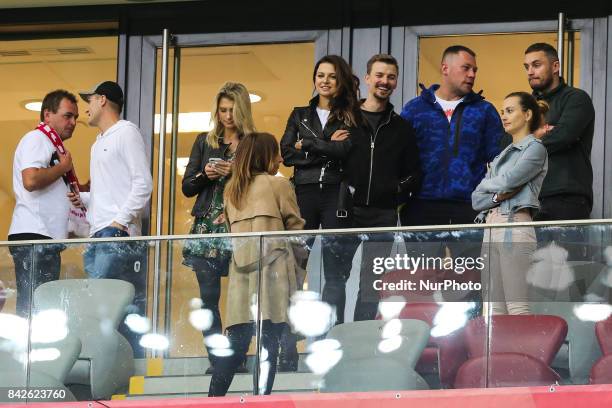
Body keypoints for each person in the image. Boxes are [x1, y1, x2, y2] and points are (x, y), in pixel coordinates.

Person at [208, 132, 305, 397]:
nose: (281, 158)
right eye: (276, 153)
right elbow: (296, 232)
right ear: (265, 156)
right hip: (274, 276)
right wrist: (300, 268)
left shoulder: (232, 191)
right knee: (268, 347)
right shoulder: (279, 185)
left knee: (235, 348)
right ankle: (261, 402)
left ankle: (211, 401)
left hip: (241, 279)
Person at [69, 80, 153, 355]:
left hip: (116, 234)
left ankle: (127, 371)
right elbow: (112, 191)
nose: (86, 108)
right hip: (99, 234)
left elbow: (143, 184)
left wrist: (119, 223)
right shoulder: (99, 142)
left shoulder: (126, 132)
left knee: (113, 308)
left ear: (102, 100)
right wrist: (84, 199)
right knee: (108, 309)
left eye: (89, 100)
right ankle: (112, 371)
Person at [280, 55, 356, 353]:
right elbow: (287, 153)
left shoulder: (350, 115)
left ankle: (327, 342)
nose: (324, 81)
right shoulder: (300, 114)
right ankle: (287, 346)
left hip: (336, 195)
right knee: (296, 269)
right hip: (304, 194)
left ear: (340, 82)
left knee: (335, 272)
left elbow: (347, 152)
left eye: (332, 76)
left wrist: (308, 144)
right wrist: (328, 148)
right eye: (320, 75)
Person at [182, 82, 255, 373]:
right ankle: (218, 359)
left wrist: (236, 172)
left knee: (243, 297)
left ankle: (238, 356)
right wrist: (206, 173)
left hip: (240, 226)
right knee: (208, 297)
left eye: (232, 110)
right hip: (206, 227)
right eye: (222, 110)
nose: (227, 116)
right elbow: (187, 186)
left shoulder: (254, 142)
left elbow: (263, 183)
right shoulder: (205, 141)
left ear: (243, 110)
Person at [343, 54, 421, 321]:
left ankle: (359, 342)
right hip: (346, 211)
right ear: (367, 79)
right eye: (379, 75)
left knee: (370, 285)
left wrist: (393, 191)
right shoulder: (346, 120)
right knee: (335, 280)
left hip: (382, 214)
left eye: (390, 77)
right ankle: (332, 342)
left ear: (396, 82)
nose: (384, 82)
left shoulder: (402, 128)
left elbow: (414, 173)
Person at [400, 45, 504, 226]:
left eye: (474, 70)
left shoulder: (484, 110)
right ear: (445, 68)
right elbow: (400, 156)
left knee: (470, 257)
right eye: (466, 68)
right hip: (421, 204)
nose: (472, 74)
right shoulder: (414, 109)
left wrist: (491, 200)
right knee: (423, 256)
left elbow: (499, 160)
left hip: (470, 206)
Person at [472, 92, 548, 315]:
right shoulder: (501, 155)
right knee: (491, 309)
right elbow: (476, 199)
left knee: (516, 306)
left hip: (514, 224)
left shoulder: (535, 148)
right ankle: (498, 352)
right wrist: (496, 196)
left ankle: (520, 351)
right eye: (502, 111)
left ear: (527, 114)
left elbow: (510, 181)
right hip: (490, 226)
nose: (503, 116)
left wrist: (488, 186)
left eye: (510, 110)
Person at [8, 89, 79, 317]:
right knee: (33, 308)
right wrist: (63, 168)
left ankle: (35, 351)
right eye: (67, 116)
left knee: (42, 308)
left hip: (44, 239)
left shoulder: (51, 145)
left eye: (75, 117)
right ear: (47, 115)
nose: (73, 122)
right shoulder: (36, 138)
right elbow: (30, 180)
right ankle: (28, 353)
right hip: (34, 237)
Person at [523, 42, 594, 221]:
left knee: (567, 250)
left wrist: (526, 140)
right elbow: (506, 143)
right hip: (527, 199)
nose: (530, 71)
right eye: (527, 67)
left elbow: (563, 136)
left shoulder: (576, 98)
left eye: (536, 65)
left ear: (555, 66)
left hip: (567, 197)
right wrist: (540, 134)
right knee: (526, 251)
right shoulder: (523, 105)